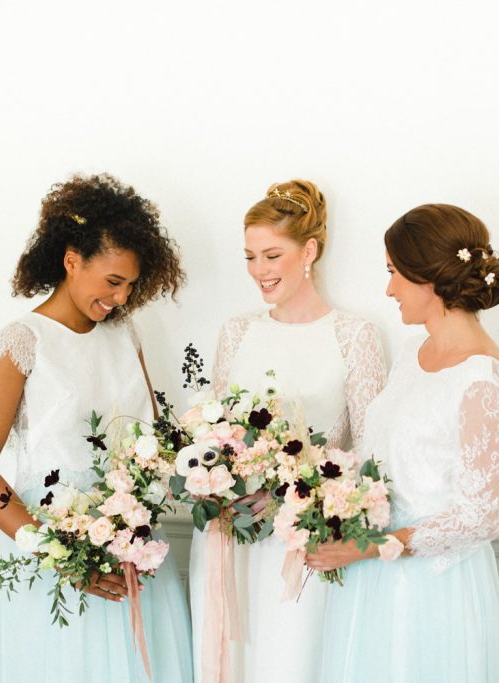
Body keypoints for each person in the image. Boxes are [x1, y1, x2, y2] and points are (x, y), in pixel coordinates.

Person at [0, 173, 193, 682]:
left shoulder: (125, 333)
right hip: (60, 560)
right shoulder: (20, 343)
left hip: (137, 553)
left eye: (132, 284)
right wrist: (61, 557)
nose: (122, 297)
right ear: (71, 261)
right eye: (113, 281)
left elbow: (152, 439)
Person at [188, 179, 387, 682]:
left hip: (302, 542)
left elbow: (369, 453)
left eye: (272, 255)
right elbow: (213, 433)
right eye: (250, 257)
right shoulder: (237, 332)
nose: (259, 271)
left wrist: (288, 494)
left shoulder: (354, 336)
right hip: (227, 537)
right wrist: (218, 481)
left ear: (310, 250)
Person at [307, 203, 499, 681]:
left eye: (394, 273)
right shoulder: (410, 353)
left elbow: (479, 519)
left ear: (429, 279)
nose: (389, 289)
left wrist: (366, 547)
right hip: (377, 575)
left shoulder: (481, 379)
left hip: (434, 587)